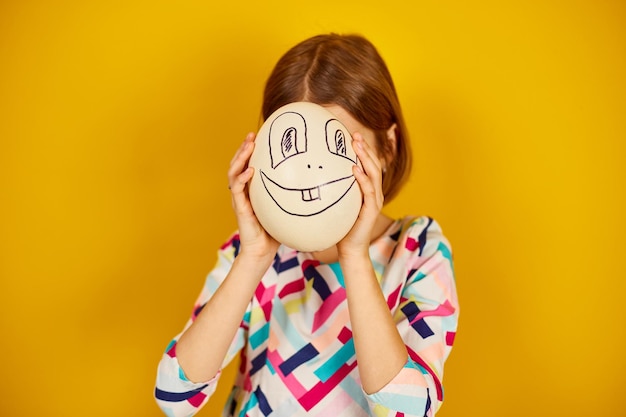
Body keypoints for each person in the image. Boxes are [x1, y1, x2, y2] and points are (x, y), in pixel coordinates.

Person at [154, 33, 459, 417]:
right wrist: (253, 257)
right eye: (290, 147)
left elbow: (407, 411)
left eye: (341, 145)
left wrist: (355, 256)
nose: (313, 172)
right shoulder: (248, 255)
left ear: (387, 147)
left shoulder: (419, 250)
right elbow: (174, 397)